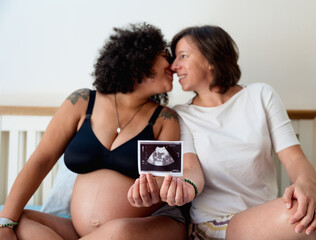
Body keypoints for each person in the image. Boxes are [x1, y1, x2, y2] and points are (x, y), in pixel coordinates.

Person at [128, 25, 316, 240]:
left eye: (183, 56)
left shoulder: (261, 95)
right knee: (291, 214)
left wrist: (306, 185)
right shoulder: (180, 115)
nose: (173, 66)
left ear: (210, 58)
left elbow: (295, 159)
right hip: (216, 224)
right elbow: (190, 169)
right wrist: (184, 188)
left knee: (303, 212)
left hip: (269, 216)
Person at [0, 22, 202, 240]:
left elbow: (162, 182)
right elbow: (41, 160)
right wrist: (5, 223)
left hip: (144, 227)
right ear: (139, 59)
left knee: (119, 232)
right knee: (20, 220)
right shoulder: (82, 102)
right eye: (165, 55)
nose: (172, 65)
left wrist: (154, 190)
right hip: (79, 232)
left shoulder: (163, 119)